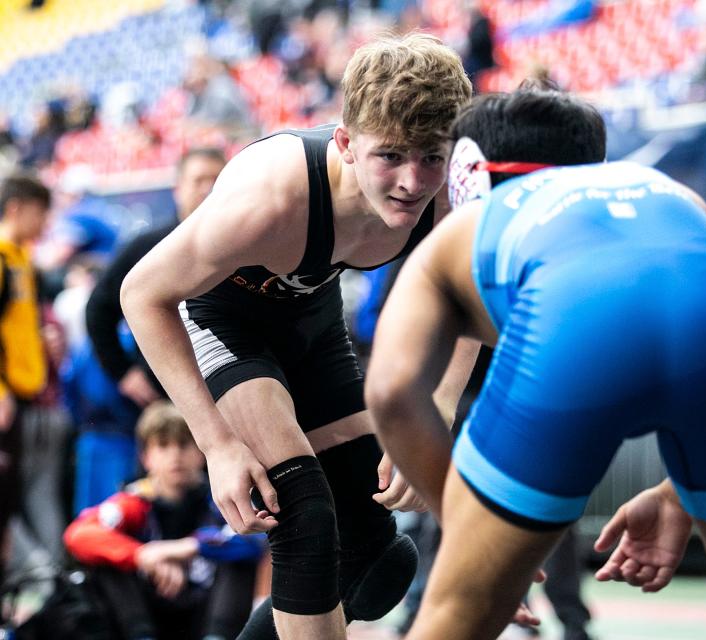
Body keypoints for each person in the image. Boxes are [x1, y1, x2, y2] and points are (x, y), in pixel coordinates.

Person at [364, 88, 706, 640]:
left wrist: (464, 522)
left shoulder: (472, 222)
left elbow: (391, 390)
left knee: (460, 606)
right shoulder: (672, 197)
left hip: (571, 337)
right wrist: (680, 493)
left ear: (468, 174)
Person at [119, 33, 475, 640]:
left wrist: (435, 412)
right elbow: (141, 295)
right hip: (225, 321)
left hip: (313, 316)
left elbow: (468, 299)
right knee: (302, 515)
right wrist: (218, 445)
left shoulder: (448, 193)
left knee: (377, 550)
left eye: (432, 157)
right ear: (345, 144)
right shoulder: (271, 198)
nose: (413, 182)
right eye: (390, 156)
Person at [63, 401, 264, 640]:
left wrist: (184, 548)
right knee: (105, 561)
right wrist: (142, 555)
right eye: (163, 446)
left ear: (201, 452)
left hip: (206, 612)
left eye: (183, 444)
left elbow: (257, 536)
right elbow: (79, 534)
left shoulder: (217, 497)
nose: (174, 456)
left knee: (240, 559)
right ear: (146, 457)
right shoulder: (135, 500)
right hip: (147, 612)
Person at [86, 147, 227, 409]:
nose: (207, 189)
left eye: (216, 180)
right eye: (199, 180)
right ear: (178, 188)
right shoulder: (146, 247)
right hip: (166, 399)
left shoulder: (246, 244)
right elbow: (98, 310)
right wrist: (123, 373)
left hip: (233, 388)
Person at [0, 173, 51, 584]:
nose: (45, 223)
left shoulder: (20, 259)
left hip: (23, 396)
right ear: (16, 207)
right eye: (40, 212)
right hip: (4, 399)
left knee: (12, 497)